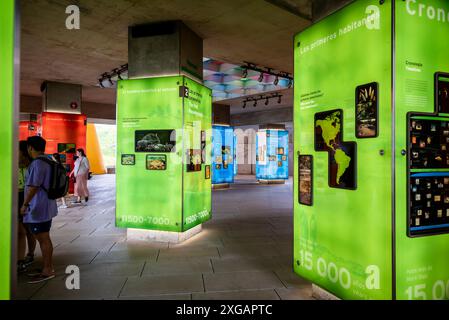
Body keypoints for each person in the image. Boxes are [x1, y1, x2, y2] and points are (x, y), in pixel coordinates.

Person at [21, 136, 58, 283]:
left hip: (38, 206)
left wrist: (25, 204)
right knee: (44, 237)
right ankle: (46, 267)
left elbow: (33, 186)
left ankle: (48, 269)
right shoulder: (49, 159)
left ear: (30, 148)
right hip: (47, 205)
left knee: (43, 239)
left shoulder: (37, 163)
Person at [17, 141, 37, 272]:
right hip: (15, 198)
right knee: (20, 231)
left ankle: (30, 254)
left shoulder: (32, 166)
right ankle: (20, 259)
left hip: (27, 198)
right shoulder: (12, 165)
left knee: (29, 230)